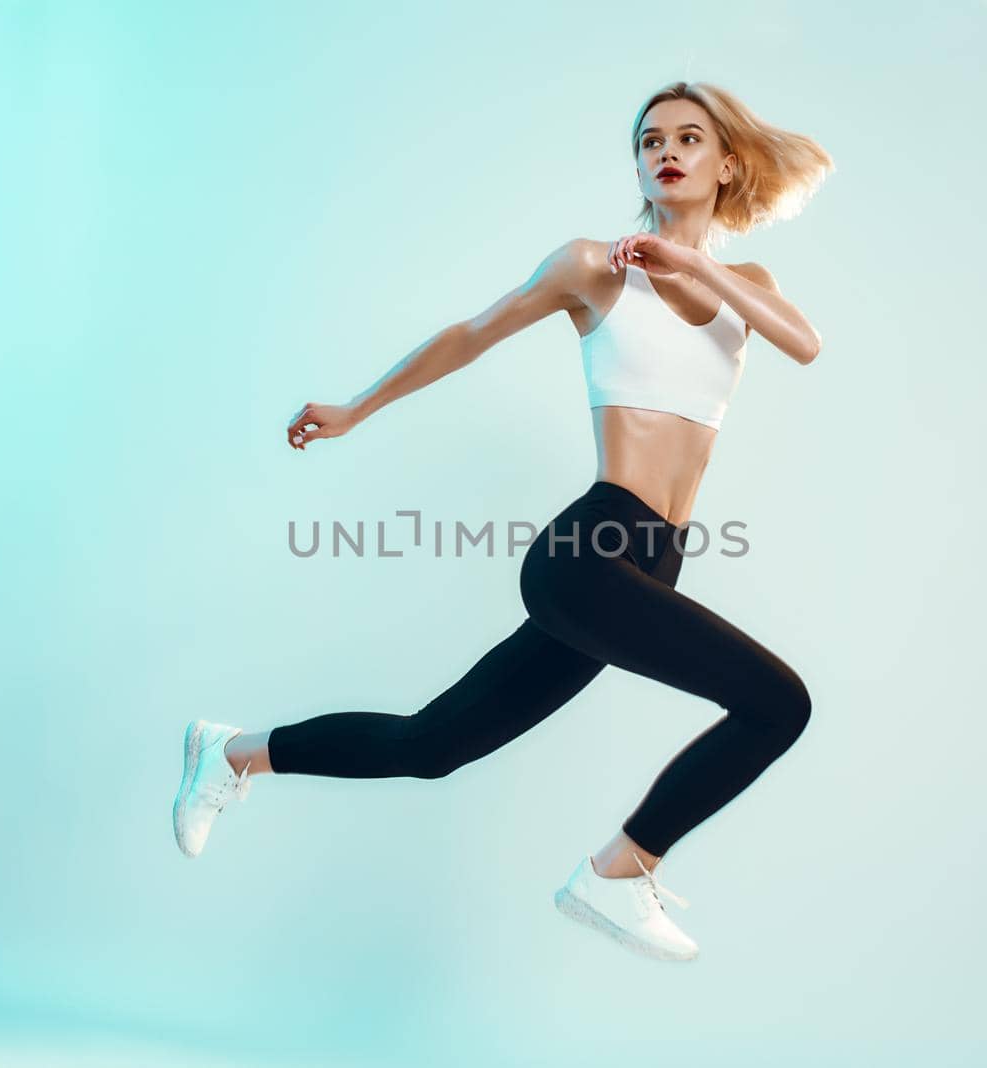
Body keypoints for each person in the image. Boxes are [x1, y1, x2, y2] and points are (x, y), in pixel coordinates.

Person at [173, 80, 833, 963]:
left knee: (433, 743)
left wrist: (700, 267)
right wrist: (356, 409)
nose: (665, 152)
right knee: (777, 702)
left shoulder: (745, 283)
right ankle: (617, 874)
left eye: (687, 138)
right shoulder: (595, 267)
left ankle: (232, 754)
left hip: (654, 562)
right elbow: (470, 333)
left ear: (727, 164)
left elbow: (805, 343)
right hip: (591, 552)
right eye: (649, 141)